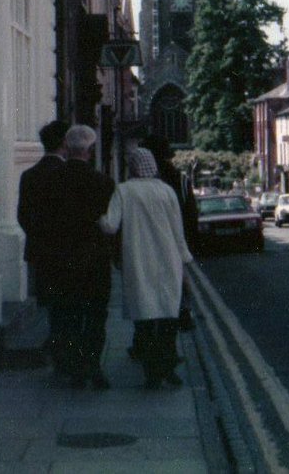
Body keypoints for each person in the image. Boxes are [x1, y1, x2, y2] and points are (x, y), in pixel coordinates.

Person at [100, 148, 194, 389]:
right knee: (167, 317)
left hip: (139, 261)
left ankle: (153, 371)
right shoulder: (167, 191)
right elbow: (177, 230)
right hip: (168, 259)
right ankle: (168, 366)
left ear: (132, 167)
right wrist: (184, 261)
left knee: (144, 318)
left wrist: (95, 215)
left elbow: (110, 225)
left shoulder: (124, 190)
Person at [57, 125, 116, 389]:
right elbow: (109, 225)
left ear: (68, 148)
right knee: (95, 314)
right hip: (95, 259)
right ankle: (92, 364)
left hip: (62, 257)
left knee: (69, 313)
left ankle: (73, 367)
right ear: (90, 151)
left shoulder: (53, 180)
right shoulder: (104, 183)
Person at [16, 119, 69, 373]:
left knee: (50, 302)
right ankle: (61, 349)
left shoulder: (29, 175)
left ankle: (56, 345)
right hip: (67, 251)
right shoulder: (67, 175)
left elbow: (23, 216)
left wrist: (40, 237)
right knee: (67, 301)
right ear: (64, 143)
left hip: (41, 251)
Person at [143, 133, 196, 330]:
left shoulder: (140, 185)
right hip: (175, 243)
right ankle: (174, 330)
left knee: (148, 291)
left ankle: (143, 340)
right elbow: (191, 216)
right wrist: (188, 246)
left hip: (147, 245)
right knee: (174, 288)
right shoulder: (180, 181)